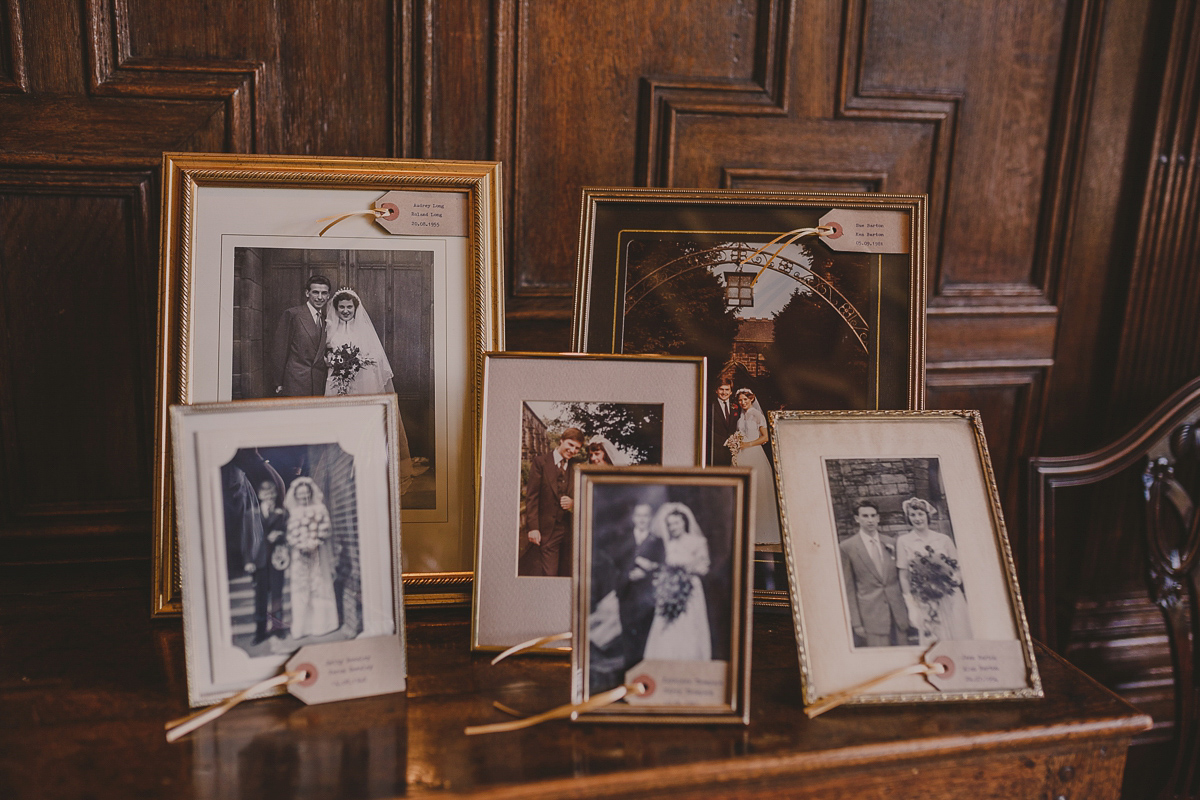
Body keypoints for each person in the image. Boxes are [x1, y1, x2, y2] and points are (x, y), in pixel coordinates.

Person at [896, 496, 973, 645]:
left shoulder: (943, 539)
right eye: (912, 515)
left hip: (950, 595)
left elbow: (959, 567)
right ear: (908, 517)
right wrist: (910, 603)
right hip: (926, 597)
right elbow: (903, 576)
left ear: (927, 516)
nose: (917, 518)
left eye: (920, 514)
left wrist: (957, 578)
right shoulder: (904, 541)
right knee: (935, 636)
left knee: (960, 633)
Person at [643, 503, 711, 661]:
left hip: (691, 589)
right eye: (670, 524)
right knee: (667, 624)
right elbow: (664, 565)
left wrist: (685, 569)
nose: (673, 527)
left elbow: (704, 569)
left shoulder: (698, 542)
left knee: (689, 624)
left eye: (676, 523)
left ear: (684, 522)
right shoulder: (669, 544)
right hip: (670, 588)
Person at [839, 499, 911, 647]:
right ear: (857, 519)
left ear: (878, 518)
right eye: (865, 516)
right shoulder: (848, 547)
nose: (870, 520)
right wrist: (856, 622)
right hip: (872, 618)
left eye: (873, 516)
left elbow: (902, 577)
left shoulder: (891, 542)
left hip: (898, 615)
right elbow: (849, 588)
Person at [523, 428, 584, 577]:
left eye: (577, 448)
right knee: (550, 574)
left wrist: (573, 503)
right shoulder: (540, 462)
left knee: (569, 575)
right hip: (547, 532)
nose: (572, 450)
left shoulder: (576, 467)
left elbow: (584, 494)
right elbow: (532, 497)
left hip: (570, 533)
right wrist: (533, 528)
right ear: (561, 441)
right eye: (570, 444)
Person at [284, 477, 339, 639]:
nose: (303, 497)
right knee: (301, 588)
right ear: (295, 496)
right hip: (299, 555)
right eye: (300, 495)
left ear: (310, 492)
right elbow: (290, 534)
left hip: (318, 553)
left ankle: (322, 625)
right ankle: (303, 627)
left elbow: (326, 530)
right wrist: (299, 545)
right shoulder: (293, 512)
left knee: (319, 585)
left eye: (306, 494)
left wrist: (316, 542)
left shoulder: (320, 508)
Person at [612, 503, 664, 670]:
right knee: (628, 633)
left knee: (645, 633)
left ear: (650, 518)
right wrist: (628, 574)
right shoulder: (623, 539)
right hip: (627, 592)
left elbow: (662, 565)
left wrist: (647, 573)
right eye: (639, 516)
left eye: (646, 516)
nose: (642, 519)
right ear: (634, 518)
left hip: (647, 596)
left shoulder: (657, 541)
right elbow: (615, 563)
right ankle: (629, 672)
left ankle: (642, 671)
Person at [323, 287, 395, 395]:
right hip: (335, 380)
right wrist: (329, 358)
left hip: (361, 379)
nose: (345, 311)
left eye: (349, 307)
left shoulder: (364, 329)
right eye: (341, 307)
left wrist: (357, 362)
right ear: (336, 308)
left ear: (355, 308)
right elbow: (324, 350)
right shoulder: (329, 328)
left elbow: (377, 356)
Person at [732, 388, 782, 544]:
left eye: (745, 399)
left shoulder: (757, 415)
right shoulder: (741, 416)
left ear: (751, 399)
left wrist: (748, 444)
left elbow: (765, 437)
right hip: (741, 454)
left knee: (757, 490)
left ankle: (761, 532)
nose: (743, 402)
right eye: (740, 400)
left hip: (754, 453)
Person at [271, 275, 331, 396]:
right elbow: (280, 351)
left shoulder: (325, 320)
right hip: (295, 382)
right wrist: (279, 383)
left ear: (328, 296)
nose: (320, 297)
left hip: (318, 383)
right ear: (307, 293)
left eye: (324, 293)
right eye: (315, 292)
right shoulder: (293, 314)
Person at [256, 470, 289, 641]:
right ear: (260, 495)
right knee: (261, 595)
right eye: (265, 492)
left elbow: (289, 532)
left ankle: (277, 627)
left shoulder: (282, 512)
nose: (269, 495)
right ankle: (261, 631)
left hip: (277, 558)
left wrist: (280, 536)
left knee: (277, 594)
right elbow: (249, 537)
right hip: (260, 560)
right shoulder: (254, 514)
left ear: (275, 494)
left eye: (271, 492)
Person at [709, 380, 740, 466]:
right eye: (721, 389)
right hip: (716, 451)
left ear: (731, 392)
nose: (724, 392)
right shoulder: (710, 406)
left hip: (734, 451)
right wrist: (724, 441)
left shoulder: (736, 407)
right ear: (716, 391)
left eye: (727, 389)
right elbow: (707, 428)